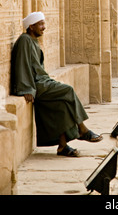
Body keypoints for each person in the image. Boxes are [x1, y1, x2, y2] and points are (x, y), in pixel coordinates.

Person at [11, 12, 102, 157]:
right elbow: (21, 65)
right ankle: (82, 129)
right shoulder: (24, 40)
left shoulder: (33, 41)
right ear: (31, 26)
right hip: (35, 85)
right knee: (68, 90)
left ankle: (62, 146)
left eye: (43, 23)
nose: (44, 27)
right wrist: (26, 88)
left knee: (62, 105)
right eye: (40, 24)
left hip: (42, 82)